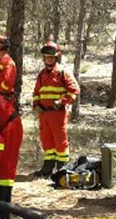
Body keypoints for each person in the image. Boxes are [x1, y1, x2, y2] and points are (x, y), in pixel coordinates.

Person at [32, 41, 80, 177]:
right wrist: (36, 105)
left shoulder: (62, 72)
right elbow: (36, 92)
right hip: (44, 113)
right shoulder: (41, 74)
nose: (49, 60)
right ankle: (47, 168)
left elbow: (74, 90)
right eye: (47, 57)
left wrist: (62, 101)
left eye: (51, 57)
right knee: (46, 140)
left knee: (60, 141)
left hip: (58, 113)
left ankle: (62, 168)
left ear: (56, 57)